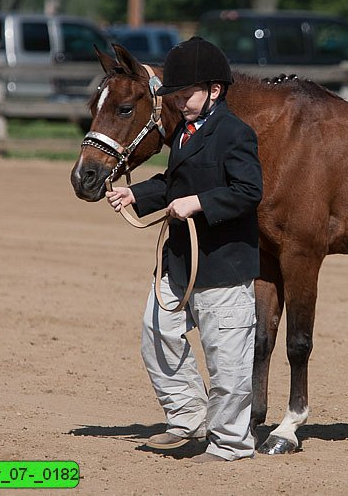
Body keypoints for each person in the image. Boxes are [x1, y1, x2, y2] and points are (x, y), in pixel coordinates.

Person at [105, 37, 262, 463]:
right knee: (156, 334)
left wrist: (200, 204)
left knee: (226, 358)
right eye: (175, 95)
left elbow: (249, 191)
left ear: (214, 91)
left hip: (223, 265)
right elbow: (176, 186)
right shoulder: (184, 135)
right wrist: (136, 194)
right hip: (179, 262)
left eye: (186, 94)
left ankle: (231, 443)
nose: (180, 102)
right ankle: (188, 415)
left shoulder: (236, 134)